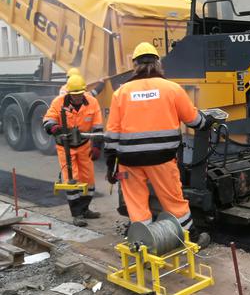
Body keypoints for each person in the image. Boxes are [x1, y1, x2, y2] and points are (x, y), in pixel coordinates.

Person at [104, 42, 213, 247]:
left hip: (129, 162)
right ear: (158, 63)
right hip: (162, 160)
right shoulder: (172, 89)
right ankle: (192, 239)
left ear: (134, 64)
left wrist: (111, 165)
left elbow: (111, 135)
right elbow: (194, 120)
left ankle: (142, 244)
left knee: (136, 203)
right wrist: (208, 121)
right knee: (174, 201)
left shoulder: (122, 93)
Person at [43, 74, 103, 226]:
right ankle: (77, 214)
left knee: (89, 180)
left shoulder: (92, 102)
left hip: (84, 145)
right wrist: (54, 127)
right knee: (72, 179)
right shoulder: (59, 102)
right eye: (74, 95)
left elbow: (97, 127)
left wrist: (96, 146)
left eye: (79, 95)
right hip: (65, 147)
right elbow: (48, 119)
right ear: (69, 93)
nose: (77, 98)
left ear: (84, 92)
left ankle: (85, 209)